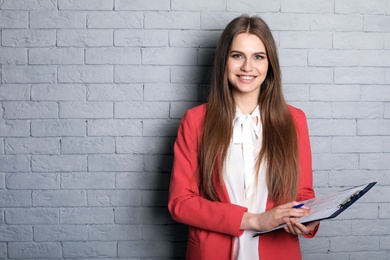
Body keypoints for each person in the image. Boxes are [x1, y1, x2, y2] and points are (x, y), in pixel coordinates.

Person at [168, 15, 319, 260]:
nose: (247, 67)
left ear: (269, 63)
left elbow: (302, 193)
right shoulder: (196, 121)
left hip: (278, 251)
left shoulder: (294, 120)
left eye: (258, 57)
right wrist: (254, 220)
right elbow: (180, 203)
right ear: (224, 61)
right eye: (237, 55)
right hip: (212, 252)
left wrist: (309, 219)